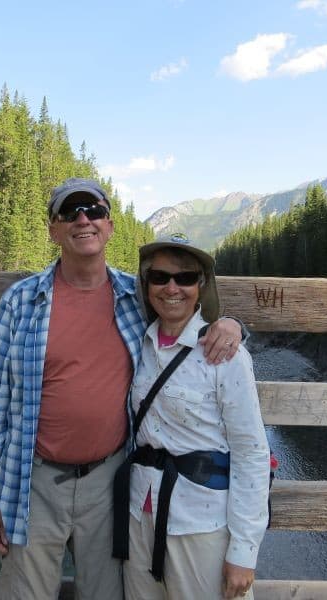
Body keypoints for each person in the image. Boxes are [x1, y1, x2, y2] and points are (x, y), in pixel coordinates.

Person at [0, 178, 244, 600]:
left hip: (112, 480)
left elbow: (187, 318)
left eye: (94, 210)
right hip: (33, 481)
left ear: (109, 225)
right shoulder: (19, 302)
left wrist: (233, 325)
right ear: (54, 229)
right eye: (70, 212)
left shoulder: (135, 297)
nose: (84, 220)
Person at [117, 234, 270, 600]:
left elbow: (251, 453)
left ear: (201, 286)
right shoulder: (138, 341)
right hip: (140, 515)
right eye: (160, 277)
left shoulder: (225, 356)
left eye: (185, 278)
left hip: (200, 521)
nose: (172, 288)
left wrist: (244, 552)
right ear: (146, 283)